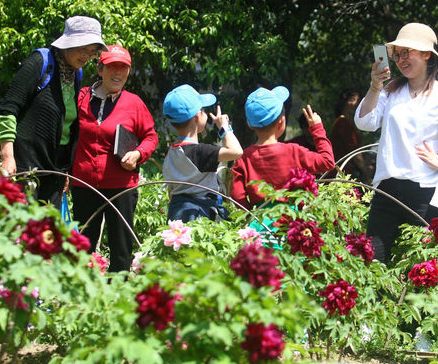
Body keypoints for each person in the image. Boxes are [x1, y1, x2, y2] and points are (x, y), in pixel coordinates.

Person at [355, 22, 438, 263]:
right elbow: (365, 122)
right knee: (373, 262)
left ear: (427, 55)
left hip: (426, 194)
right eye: (398, 54)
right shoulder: (390, 92)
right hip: (387, 188)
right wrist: (375, 87)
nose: (402, 59)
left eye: (408, 52)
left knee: (424, 269)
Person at [0, 16, 108, 208]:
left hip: (54, 167)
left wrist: (66, 169)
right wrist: (8, 157)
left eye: (92, 52)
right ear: (68, 43)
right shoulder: (40, 62)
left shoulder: (76, 74)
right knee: (22, 227)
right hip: (25, 165)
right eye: (82, 48)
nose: (86, 56)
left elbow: (66, 127)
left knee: (49, 230)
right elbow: (8, 109)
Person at [71, 44, 158, 272]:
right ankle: (82, 298)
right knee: (83, 250)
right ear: (100, 69)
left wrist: (138, 153)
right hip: (84, 184)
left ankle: (117, 299)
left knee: (121, 252)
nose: (118, 73)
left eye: (123, 68)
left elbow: (150, 137)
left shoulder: (134, 103)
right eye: (112, 67)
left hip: (121, 187)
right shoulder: (79, 97)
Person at [231, 86, 335, 209]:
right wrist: (317, 128)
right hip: (292, 223)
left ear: (249, 124)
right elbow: (327, 162)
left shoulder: (243, 158)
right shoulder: (294, 151)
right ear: (281, 122)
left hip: (259, 222)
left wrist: (251, 218)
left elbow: (237, 196)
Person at [162, 84, 243, 222]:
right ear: (197, 116)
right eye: (203, 110)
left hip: (177, 214)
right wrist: (224, 128)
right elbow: (236, 151)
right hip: (200, 216)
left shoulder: (171, 152)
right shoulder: (200, 152)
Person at [329, 89, 374, 182]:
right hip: (343, 173)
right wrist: (365, 172)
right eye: (352, 100)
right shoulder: (342, 123)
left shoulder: (348, 124)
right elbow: (354, 152)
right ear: (344, 102)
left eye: (358, 101)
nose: (356, 104)